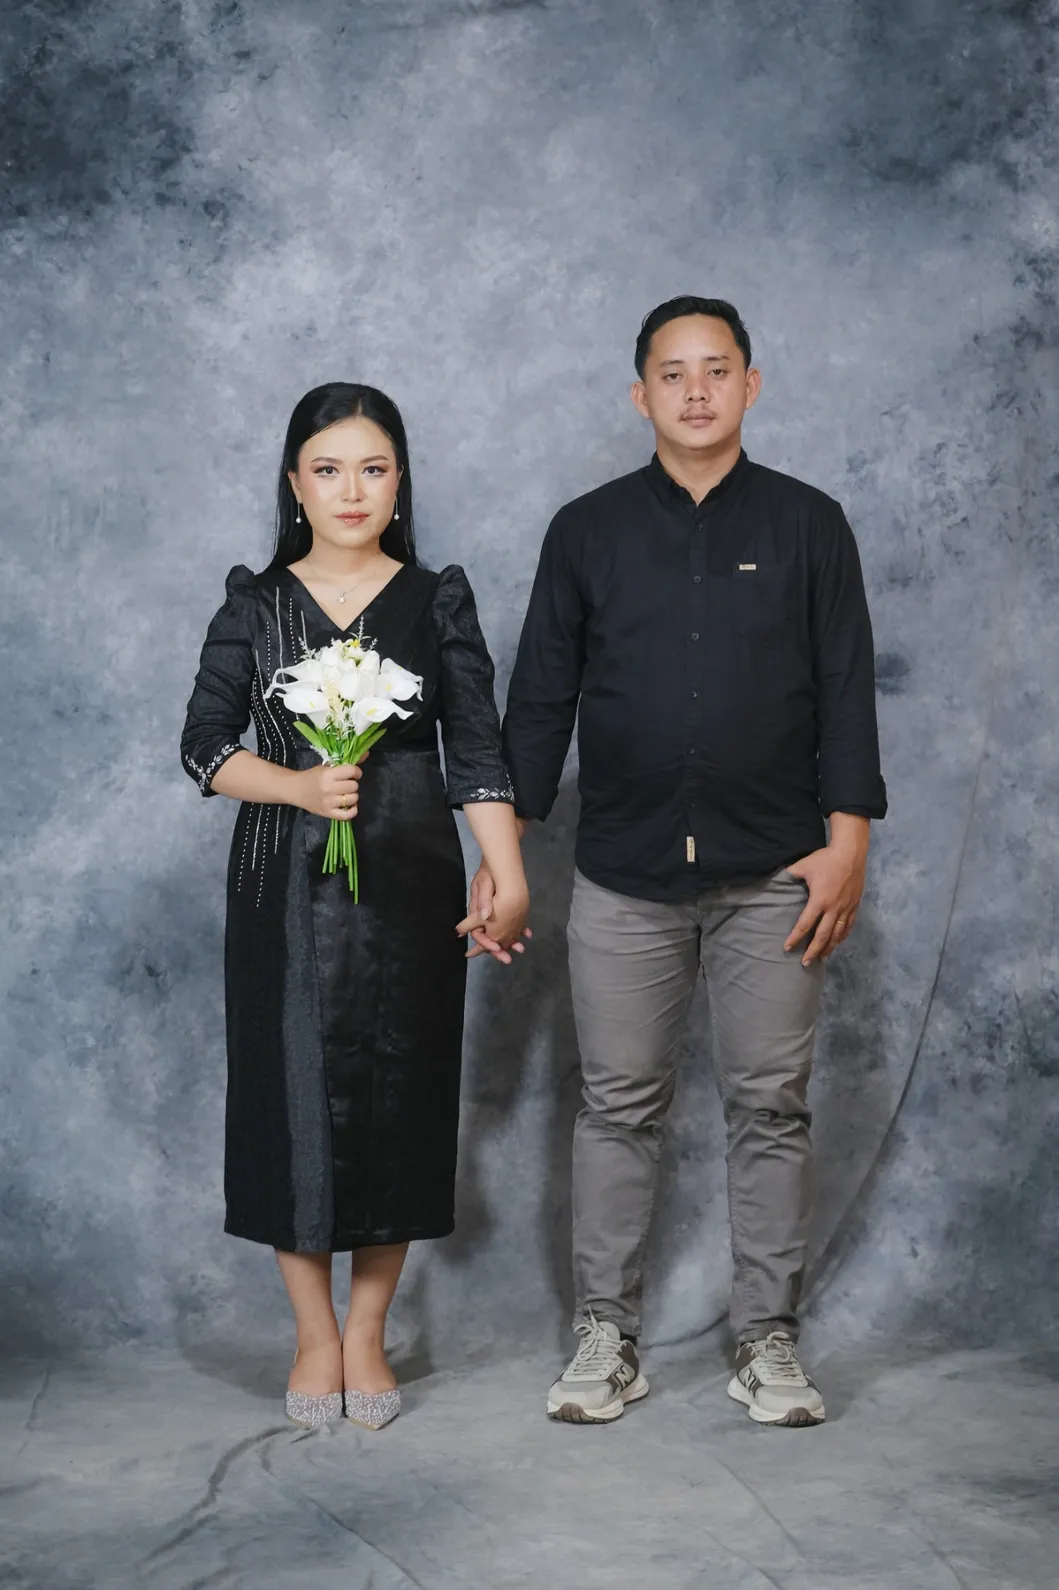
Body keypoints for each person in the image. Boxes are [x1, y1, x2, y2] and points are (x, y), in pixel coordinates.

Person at [490, 297, 887, 1426]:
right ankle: (605, 1336)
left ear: (751, 385)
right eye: (673, 373)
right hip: (624, 873)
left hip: (779, 876)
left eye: (718, 369)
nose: (696, 390)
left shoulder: (811, 524)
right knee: (618, 1105)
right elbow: (540, 704)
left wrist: (848, 841)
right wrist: (501, 855)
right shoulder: (588, 530)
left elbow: (847, 689)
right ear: (641, 395)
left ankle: (768, 1339)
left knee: (771, 1107)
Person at [180, 383, 529, 1431]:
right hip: (280, 881)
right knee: (284, 1096)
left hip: (411, 872)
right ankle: (313, 1335)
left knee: (401, 1094)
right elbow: (203, 747)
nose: (350, 490)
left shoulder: (436, 600)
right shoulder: (255, 604)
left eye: (372, 469)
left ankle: (368, 1330)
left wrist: (506, 871)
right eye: (327, 469)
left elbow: (477, 751)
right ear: (294, 484)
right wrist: (295, 787)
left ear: (399, 482)